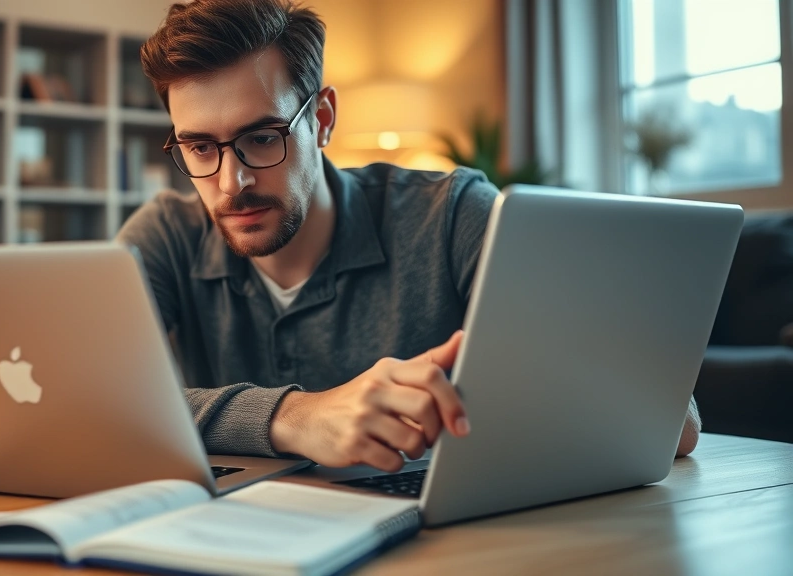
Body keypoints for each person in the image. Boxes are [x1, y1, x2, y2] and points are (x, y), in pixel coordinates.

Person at [117, 0, 700, 471]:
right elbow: (81, 408)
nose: (231, 180)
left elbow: (670, 424)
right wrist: (296, 417)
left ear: (320, 120)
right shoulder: (166, 234)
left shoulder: (452, 217)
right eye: (198, 147)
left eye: (263, 137)